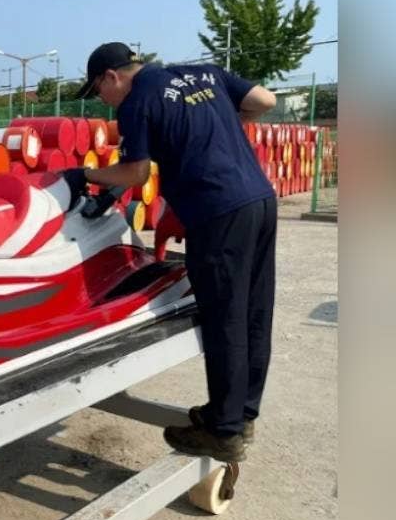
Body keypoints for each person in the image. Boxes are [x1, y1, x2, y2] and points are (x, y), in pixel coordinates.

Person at [64, 42, 278, 462]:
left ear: (112, 76)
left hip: (217, 211)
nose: (104, 102)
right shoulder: (204, 74)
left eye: (99, 91)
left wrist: (83, 173)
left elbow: (135, 172)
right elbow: (265, 100)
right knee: (255, 311)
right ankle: (241, 413)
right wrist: (220, 125)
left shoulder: (137, 101)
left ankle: (224, 431)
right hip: (259, 200)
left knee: (225, 318)